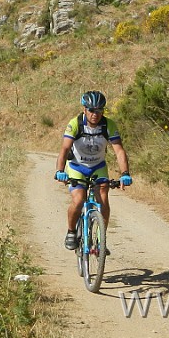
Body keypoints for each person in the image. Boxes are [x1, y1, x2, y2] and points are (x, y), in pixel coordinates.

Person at [54, 90, 132, 250]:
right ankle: (71, 231)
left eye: (99, 110)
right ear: (84, 109)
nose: (95, 114)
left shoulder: (108, 125)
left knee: (103, 201)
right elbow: (64, 149)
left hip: (98, 167)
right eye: (91, 110)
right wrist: (60, 170)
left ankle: (100, 240)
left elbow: (119, 150)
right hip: (77, 166)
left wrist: (125, 174)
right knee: (78, 199)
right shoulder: (75, 124)